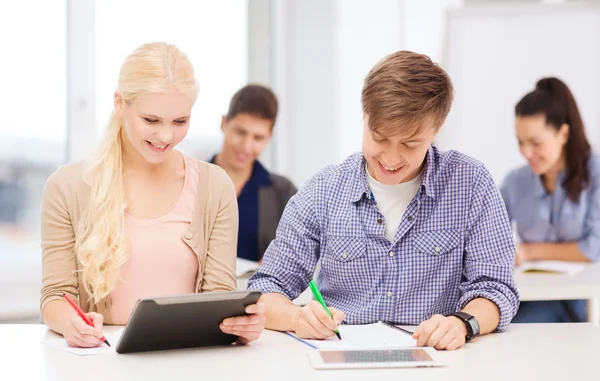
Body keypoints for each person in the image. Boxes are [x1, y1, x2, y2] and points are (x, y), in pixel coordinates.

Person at [248, 51, 519, 351]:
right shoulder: (323, 191)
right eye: (379, 138)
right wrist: (297, 317)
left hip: (436, 359)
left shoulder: (470, 183)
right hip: (341, 359)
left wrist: (462, 323)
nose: (390, 159)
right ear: (364, 117)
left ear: (436, 130)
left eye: (409, 143)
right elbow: (264, 289)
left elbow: (496, 289)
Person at [40, 42, 265, 348]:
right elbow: (55, 296)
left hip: (190, 355)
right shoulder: (67, 186)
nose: (166, 136)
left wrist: (241, 325)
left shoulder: (214, 186)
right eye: (151, 120)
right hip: (101, 360)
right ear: (120, 103)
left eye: (180, 122)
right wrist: (71, 323)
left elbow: (219, 295)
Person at [501, 77, 600, 323]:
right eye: (520, 142)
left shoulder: (595, 173)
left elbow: (592, 248)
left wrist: (530, 251)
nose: (526, 152)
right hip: (526, 295)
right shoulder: (515, 182)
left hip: (579, 299)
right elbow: (487, 233)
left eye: (535, 143)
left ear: (563, 133)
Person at [211, 85, 297, 262]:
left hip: (258, 289)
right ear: (223, 123)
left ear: (269, 137)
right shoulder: (191, 181)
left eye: (258, 138)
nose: (246, 146)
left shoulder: (283, 192)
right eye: (240, 132)